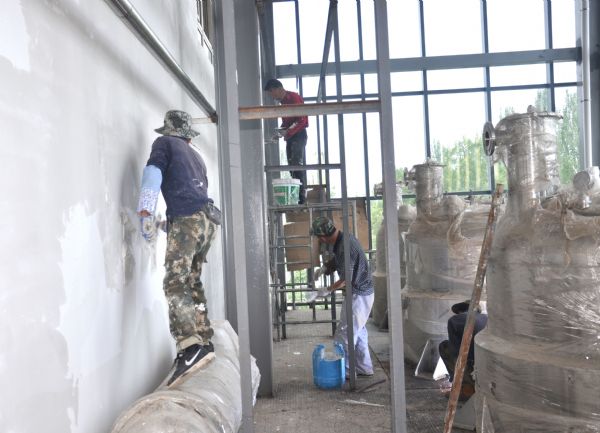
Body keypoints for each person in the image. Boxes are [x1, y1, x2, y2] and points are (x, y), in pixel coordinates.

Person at [137, 109, 221, 387]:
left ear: (169, 130)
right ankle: (204, 338)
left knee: (175, 282)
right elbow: (194, 198)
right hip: (208, 221)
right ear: (188, 136)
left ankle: (190, 345)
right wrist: (168, 225)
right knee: (191, 279)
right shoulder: (196, 156)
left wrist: (146, 211)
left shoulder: (164, 143)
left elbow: (152, 173)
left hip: (189, 220)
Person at [311, 216, 374, 378]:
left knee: (345, 334)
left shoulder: (346, 246)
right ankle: (364, 367)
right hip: (360, 293)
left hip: (359, 295)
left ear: (322, 237)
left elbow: (346, 279)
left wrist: (327, 290)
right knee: (358, 332)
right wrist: (325, 268)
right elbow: (338, 260)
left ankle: (345, 371)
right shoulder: (342, 240)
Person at [264, 78, 309, 204]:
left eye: (271, 92)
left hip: (299, 134)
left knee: (296, 163)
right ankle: (298, 196)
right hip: (291, 136)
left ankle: (301, 197)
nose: (271, 95)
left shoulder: (293, 98)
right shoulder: (283, 102)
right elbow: (287, 122)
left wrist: (288, 131)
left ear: (279, 89)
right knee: (291, 165)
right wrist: (280, 132)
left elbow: (302, 120)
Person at [438, 300, 488, 399]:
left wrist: (455, 380)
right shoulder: (486, 318)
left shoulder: (454, 320)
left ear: (460, 310)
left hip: (472, 367)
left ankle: (466, 388)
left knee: (444, 346)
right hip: (488, 366)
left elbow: (455, 352)